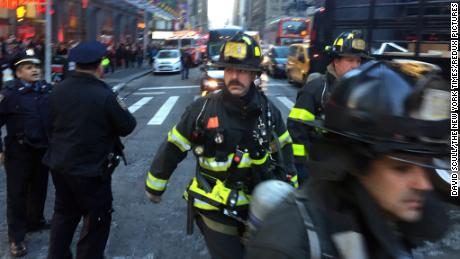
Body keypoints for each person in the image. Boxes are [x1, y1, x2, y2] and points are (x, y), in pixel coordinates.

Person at [246, 60, 451, 259]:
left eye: (427, 164)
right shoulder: (288, 246)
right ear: (356, 163)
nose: (424, 184)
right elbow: (296, 131)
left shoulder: (392, 223)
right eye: (402, 168)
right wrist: (298, 168)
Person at [145, 33, 298, 259]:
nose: (234, 76)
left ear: (255, 74)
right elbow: (174, 146)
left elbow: (285, 151)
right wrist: (155, 186)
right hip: (213, 206)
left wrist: (291, 194)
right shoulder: (202, 110)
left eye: (243, 71)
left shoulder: (269, 112)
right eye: (228, 70)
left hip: (258, 206)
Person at [43, 41, 137, 259]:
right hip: (91, 170)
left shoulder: (57, 91)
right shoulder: (104, 94)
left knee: (64, 215)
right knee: (97, 219)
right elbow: (128, 126)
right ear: (99, 66)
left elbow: (47, 124)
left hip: (60, 165)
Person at [287, 30, 369, 183]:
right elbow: (296, 130)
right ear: (336, 61)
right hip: (317, 171)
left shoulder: (361, 93)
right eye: (350, 60)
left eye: (358, 61)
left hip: (349, 173)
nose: (355, 66)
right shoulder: (315, 89)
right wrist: (305, 167)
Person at [0, 50, 52, 257]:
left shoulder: (47, 90)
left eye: (36, 67)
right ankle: (17, 237)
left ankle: (35, 220)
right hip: (18, 151)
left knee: (40, 188)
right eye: (29, 68)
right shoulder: (10, 94)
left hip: (43, 149)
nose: (35, 70)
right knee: (17, 194)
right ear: (19, 73)